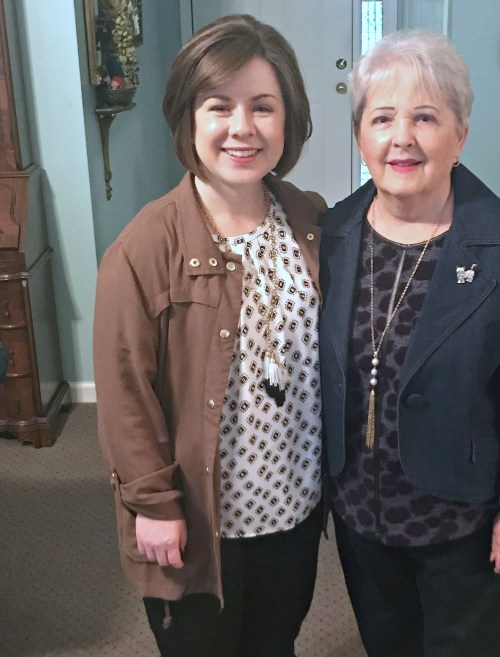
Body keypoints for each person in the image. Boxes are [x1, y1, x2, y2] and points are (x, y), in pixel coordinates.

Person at [318, 30, 500, 657]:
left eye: (425, 118)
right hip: (361, 515)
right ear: (360, 137)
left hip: (465, 521)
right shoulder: (332, 233)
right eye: (382, 118)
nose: (401, 137)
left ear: (460, 135)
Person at [94, 14, 325, 657]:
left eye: (263, 107)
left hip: (293, 507)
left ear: (290, 120)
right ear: (188, 119)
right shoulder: (144, 248)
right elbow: (123, 393)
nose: (242, 127)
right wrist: (153, 503)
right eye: (219, 106)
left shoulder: (309, 218)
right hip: (197, 522)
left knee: (275, 643)